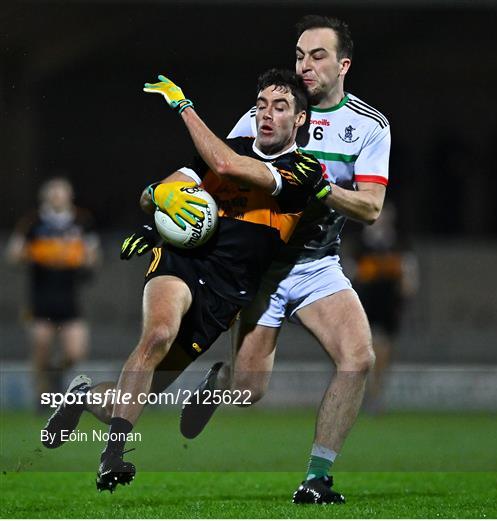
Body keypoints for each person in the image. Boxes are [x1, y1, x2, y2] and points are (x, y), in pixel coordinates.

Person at [41, 69, 329, 493]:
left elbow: (226, 166)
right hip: (183, 263)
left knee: (135, 396)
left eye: (280, 107)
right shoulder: (225, 148)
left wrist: (184, 105)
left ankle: (81, 396)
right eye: (261, 105)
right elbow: (155, 193)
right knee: (157, 334)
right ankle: (113, 456)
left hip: (229, 291)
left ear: (300, 119)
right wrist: (158, 197)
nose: (267, 115)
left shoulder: (305, 171)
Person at [180, 15, 390, 504]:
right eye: (299, 55)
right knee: (248, 391)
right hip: (260, 268)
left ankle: (317, 478)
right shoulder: (273, 111)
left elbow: (371, 208)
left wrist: (320, 187)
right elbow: (222, 165)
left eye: (317, 56)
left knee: (358, 358)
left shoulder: (368, 126)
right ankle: (219, 384)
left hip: (318, 265)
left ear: (343, 64)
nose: (305, 65)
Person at [5, 177, 101, 410]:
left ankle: (57, 376)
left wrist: (81, 257)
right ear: (45, 197)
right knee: (41, 347)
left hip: (69, 299)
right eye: (54, 193)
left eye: (62, 192)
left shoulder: (82, 221)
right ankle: (42, 397)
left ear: (70, 196)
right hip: (40, 299)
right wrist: (36, 253)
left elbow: (94, 255)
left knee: (75, 352)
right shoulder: (33, 222)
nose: (58, 197)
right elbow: (13, 253)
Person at [345, 202, 419, 413]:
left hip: (388, 304)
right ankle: (357, 393)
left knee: (383, 348)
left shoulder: (399, 243)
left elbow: (409, 271)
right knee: (359, 349)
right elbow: (348, 273)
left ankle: (376, 394)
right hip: (363, 303)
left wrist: (407, 289)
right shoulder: (359, 243)